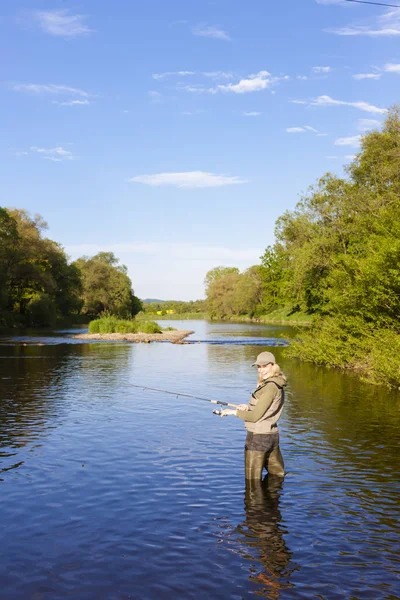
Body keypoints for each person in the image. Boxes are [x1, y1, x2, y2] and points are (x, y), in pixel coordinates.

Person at [221, 351, 286, 479]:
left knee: (252, 485)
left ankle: (260, 499)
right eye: (259, 367)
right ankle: (273, 499)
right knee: (278, 476)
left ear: (273, 365)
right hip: (272, 437)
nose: (261, 370)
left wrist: (233, 412)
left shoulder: (269, 387)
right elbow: (267, 409)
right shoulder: (278, 383)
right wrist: (247, 407)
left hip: (258, 439)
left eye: (265, 366)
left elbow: (255, 417)